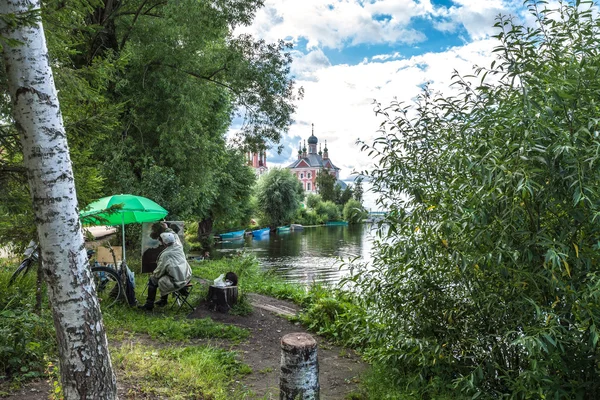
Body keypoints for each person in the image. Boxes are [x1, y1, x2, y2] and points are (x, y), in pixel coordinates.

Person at [138, 231, 192, 311]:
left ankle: (149, 305)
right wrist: (167, 227)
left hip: (177, 281)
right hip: (186, 276)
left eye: (161, 240)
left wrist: (154, 274)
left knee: (153, 280)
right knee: (165, 275)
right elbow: (175, 235)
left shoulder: (166, 255)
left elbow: (159, 271)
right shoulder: (178, 245)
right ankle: (163, 301)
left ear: (164, 243)